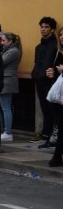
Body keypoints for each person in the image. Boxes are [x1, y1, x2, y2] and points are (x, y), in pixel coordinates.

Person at [30, 17, 58, 143]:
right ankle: (44, 133)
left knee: (51, 107)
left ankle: (49, 134)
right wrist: (34, 73)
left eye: (46, 27)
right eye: (42, 27)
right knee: (44, 108)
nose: (43, 29)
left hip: (50, 80)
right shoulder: (38, 46)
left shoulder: (55, 45)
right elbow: (37, 63)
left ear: (52, 30)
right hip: (39, 79)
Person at [0, 32, 21, 142]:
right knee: (4, 107)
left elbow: (0, 62)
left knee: (6, 107)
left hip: (7, 80)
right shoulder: (7, 50)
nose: (1, 43)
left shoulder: (13, 51)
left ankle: (8, 132)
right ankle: (4, 131)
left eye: (3, 40)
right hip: (5, 80)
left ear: (10, 41)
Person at [48, 27, 63, 167]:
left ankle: (57, 157)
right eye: (61, 35)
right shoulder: (59, 52)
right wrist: (51, 72)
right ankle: (57, 157)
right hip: (58, 94)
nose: (62, 37)